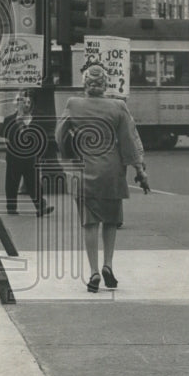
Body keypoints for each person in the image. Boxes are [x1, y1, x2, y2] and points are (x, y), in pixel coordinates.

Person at [55, 64, 149, 292]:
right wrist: (140, 171)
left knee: (89, 223)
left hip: (84, 170)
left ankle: (94, 271)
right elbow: (128, 141)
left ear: (85, 84)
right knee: (111, 221)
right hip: (111, 171)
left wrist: (72, 145)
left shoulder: (73, 104)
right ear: (106, 84)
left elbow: (59, 136)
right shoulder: (118, 106)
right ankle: (108, 264)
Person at [3, 89, 54, 217]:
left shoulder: (35, 120)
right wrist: (18, 125)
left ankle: (40, 207)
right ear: (17, 103)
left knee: (34, 183)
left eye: (29, 102)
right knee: (12, 183)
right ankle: (11, 208)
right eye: (23, 102)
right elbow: (7, 137)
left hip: (31, 157)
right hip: (14, 156)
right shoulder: (9, 119)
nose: (26, 105)